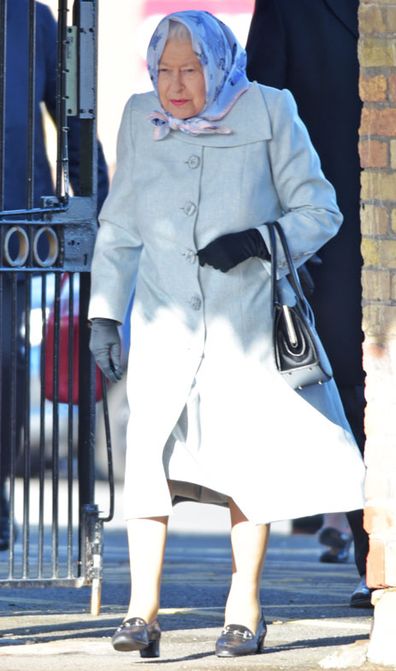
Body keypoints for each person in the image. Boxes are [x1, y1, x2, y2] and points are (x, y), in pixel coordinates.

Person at [88, 10, 365, 658]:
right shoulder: (137, 117)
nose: (176, 85)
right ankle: (141, 610)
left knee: (249, 469)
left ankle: (245, 603)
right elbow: (119, 225)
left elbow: (320, 208)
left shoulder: (268, 109)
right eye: (164, 70)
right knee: (150, 467)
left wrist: (260, 241)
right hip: (165, 326)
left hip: (244, 326)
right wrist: (105, 311)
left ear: (216, 64)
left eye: (189, 70)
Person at [245, 0, 370, 607]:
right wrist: (286, 239)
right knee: (352, 392)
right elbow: (257, 122)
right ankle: (378, 567)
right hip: (333, 238)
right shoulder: (287, 7)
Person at [0, 0, 109, 550]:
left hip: (14, 224)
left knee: (3, 359)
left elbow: (71, 115)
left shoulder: (32, 17)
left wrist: (97, 200)